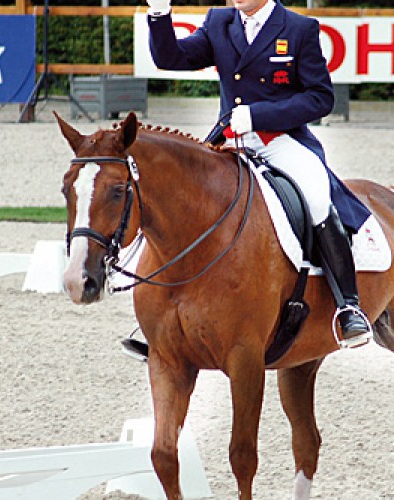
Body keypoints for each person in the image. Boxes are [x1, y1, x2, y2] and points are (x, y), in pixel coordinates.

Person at [143, 0, 372, 348]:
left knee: (315, 195)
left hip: (280, 139)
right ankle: (168, 315)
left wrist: (259, 115)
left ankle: (348, 308)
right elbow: (171, 58)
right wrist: (160, 14)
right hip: (229, 141)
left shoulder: (298, 29)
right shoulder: (220, 22)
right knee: (182, 203)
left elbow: (320, 98)